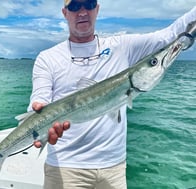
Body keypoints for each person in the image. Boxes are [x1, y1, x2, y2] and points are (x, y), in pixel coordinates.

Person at [27, 0, 196, 188]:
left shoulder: (122, 47)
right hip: (66, 168)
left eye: (89, 4)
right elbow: (39, 100)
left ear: (97, 9)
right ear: (65, 13)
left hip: (114, 168)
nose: (82, 12)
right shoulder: (48, 58)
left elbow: (172, 34)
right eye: (74, 7)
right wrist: (38, 108)